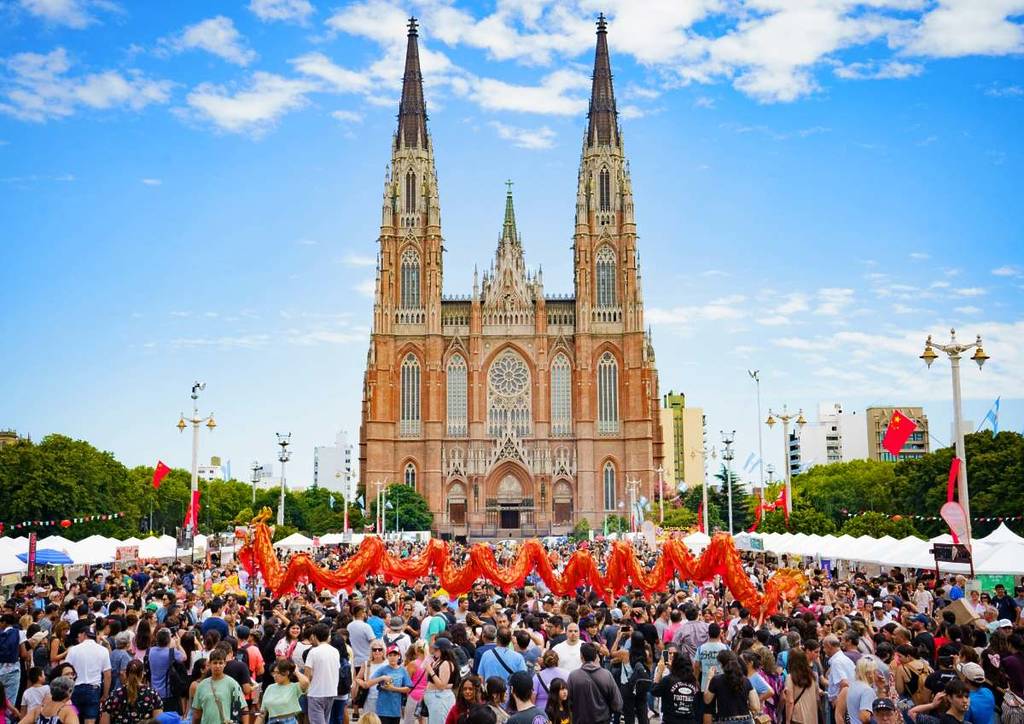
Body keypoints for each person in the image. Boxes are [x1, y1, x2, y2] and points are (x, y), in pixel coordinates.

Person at [66, 621, 111, 724]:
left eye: (79, 635)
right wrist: (105, 695)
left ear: (84, 635)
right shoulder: (103, 650)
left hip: (74, 690)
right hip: (93, 691)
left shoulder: (73, 650)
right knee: (90, 720)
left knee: (73, 716)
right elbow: (107, 675)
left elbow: (66, 670)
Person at [567, 643, 621, 724]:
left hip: (580, 720)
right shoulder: (606, 675)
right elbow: (617, 703)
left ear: (581, 657)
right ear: (596, 656)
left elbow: (568, 702)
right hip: (603, 720)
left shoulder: (573, 676)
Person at [191, 649, 248, 724]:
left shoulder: (232, 684)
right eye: (215, 663)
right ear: (210, 664)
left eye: (220, 663)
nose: (217, 666)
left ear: (225, 664)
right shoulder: (202, 685)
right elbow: (197, 714)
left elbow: (243, 708)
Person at [703, 650, 760, 724]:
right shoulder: (746, 680)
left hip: (726, 720)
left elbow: (707, 700)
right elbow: (755, 707)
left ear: (721, 664)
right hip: (746, 720)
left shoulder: (716, 680)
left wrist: (709, 678)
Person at [98, 660, 163, 724]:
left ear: (126, 674)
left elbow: (104, 721)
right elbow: (158, 720)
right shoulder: (153, 695)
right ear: (142, 674)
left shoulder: (114, 695)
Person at [305, 624, 341, 724]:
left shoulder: (313, 652)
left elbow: (307, 675)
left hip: (316, 693)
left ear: (314, 636)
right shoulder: (335, 651)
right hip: (331, 692)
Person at [651, 649, 698, 724]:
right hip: (689, 720)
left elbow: (654, 691)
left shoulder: (668, 680)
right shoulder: (693, 681)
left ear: (675, 664)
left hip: (671, 720)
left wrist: (659, 671)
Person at [370, 648, 412, 724]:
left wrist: (393, 688)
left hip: (396, 710)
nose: (392, 657)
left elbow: (408, 688)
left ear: (399, 656)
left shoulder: (403, 670)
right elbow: (370, 681)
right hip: (382, 709)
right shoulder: (382, 669)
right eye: (390, 655)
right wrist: (381, 679)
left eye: (395, 655)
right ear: (387, 657)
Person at [423, 638, 457, 724]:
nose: (434, 651)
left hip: (440, 698)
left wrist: (431, 670)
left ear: (443, 650)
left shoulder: (445, 663)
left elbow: (441, 686)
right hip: (434, 698)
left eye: (437, 649)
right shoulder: (438, 660)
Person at [782, 648, 819, 724]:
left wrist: (787, 720)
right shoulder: (813, 676)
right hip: (812, 717)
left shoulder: (790, 677)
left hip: (797, 717)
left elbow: (790, 701)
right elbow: (817, 697)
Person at [694, 625, 727, 693]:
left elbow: (696, 665)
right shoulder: (725, 647)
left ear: (708, 633)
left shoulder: (701, 648)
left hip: (706, 684)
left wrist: (696, 679)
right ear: (719, 634)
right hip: (722, 684)